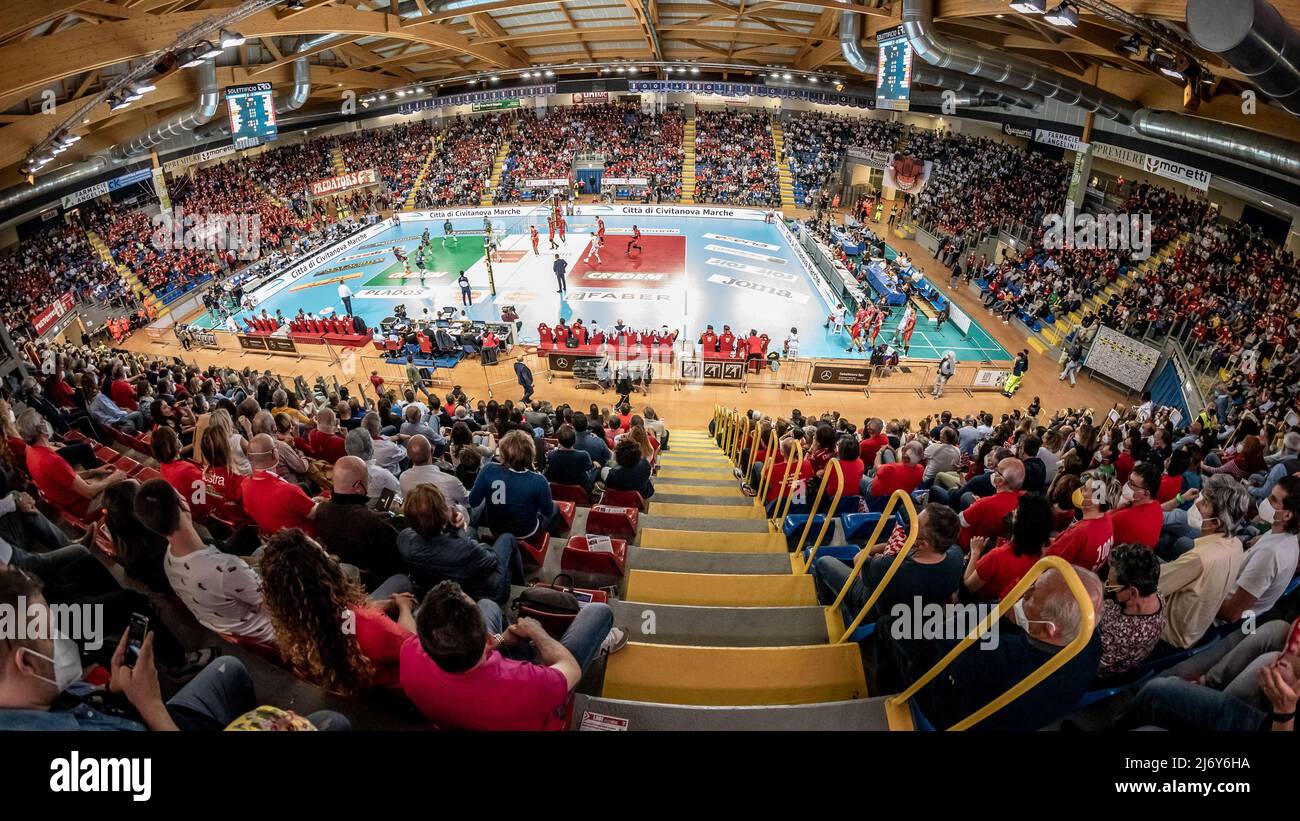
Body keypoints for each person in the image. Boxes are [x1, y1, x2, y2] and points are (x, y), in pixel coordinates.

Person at [0, 568, 347, 731]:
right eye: (49, 633)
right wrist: (151, 705)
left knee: (231, 670)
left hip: (132, 711)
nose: (60, 638)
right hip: (156, 720)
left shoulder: (31, 694)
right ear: (26, 662)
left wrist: (113, 690)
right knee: (331, 721)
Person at [895, 566, 1105, 731]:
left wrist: (999, 610)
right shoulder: (1090, 642)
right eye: (1033, 585)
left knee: (893, 630)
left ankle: (892, 693)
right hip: (1022, 716)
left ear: (1050, 629)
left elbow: (944, 637)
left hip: (956, 717)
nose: (1025, 591)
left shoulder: (997, 658)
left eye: (1032, 596)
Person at [399, 579, 624, 730]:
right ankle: (593, 646)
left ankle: (521, 647)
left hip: (461, 715)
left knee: (488, 605)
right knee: (598, 612)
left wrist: (502, 639)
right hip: (537, 701)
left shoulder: (409, 653)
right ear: (485, 638)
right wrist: (537, 632)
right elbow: (571, 669)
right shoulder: (528, 682)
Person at [259, 528, 414, 694]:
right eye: (323, 553)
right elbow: (418, 647)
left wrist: (379, 607)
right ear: (325, 572)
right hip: (400, 689)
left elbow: (347, 622)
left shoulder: (294, 631)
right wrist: (405, 607)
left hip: (358, 690)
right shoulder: (371, 626)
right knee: (401, 580)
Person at [133, 478, 275, 643]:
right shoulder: (226, 568)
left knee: (263, 551)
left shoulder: (169, 561)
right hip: (271, 628)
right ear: (182, 503)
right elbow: (274, 600)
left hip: (236, 624)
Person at [811, 503, 963, 625]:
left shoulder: (888, 567)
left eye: (914, 526)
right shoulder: (956, 556)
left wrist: (868, 550)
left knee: (824, 562)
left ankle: (831, 606)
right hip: (909, 615)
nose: (909, 527)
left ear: (922, 544)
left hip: (871, 607)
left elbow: (858, 560)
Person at [1158, 473, 1249, 649]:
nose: (1198, 505)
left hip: (1167, 634)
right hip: (1195, 630)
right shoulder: (1236, 544)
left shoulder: (1199, 559)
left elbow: (1154, 586)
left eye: (1205, 504)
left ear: (1216, 522)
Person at [313, 456, 405, 592]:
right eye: (367, 480)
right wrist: (400, 518)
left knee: (387, 497)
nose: (368, 483)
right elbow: (397, 563)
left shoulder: (320, 511)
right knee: (391, 497)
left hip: (343, 569)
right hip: (369, 585)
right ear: (357, 487)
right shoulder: (376, 524)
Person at [1217, 474, 1300, 622]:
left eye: (1273, 500)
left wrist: (1202, 595)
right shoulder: (1284, 535)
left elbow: (1231, 613)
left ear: (1287, 515)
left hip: (1214, 614)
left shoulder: (1270, 555)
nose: (1266, 502)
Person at [18, 409, 126, 521]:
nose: (45, 421)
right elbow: (89, 493)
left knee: (109, 474)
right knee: (126, 483)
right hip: (84, 504)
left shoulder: (31, 452)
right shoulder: (51, 460)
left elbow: (67, 477)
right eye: (42, 420)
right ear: (39, 429)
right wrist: (114, 478)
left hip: (74, 499)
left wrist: (93, 471)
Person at [468, 430, 558, 540]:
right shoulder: (539, 480)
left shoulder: (487, 469)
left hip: (496, 529)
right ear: (530, 454)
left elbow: (473, 501)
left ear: (502, 452)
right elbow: (547, 511)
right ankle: (553, 539)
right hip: (526, 532)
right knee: (555, 507)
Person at [964, 493, 1054, 601]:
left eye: (1016, 512)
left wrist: (975, 552)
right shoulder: (1047, 553)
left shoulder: (996, 557)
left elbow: (969, 587)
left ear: (1020, 526)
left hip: (984, 603)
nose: (1013, 511)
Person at [1096, 544, 1165, 677]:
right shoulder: (1153, 593)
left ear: (1133, 593)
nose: (1107, 587)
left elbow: (1090, 663)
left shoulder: (1126, 635)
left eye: (1111, 585)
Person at [242, 433, 321, 537]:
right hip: (305, 543)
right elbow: (316, 514)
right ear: (274, 453)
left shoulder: (244, 485)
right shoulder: (289, 491)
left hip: (275, 540)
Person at [544, 423, 598, 493]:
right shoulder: (583, 455)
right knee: (597, 467)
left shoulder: (551, 455)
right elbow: (589, 467)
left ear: (559, 441)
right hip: (581, 491)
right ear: (575, 440)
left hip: (559, 491)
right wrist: (595, 465)